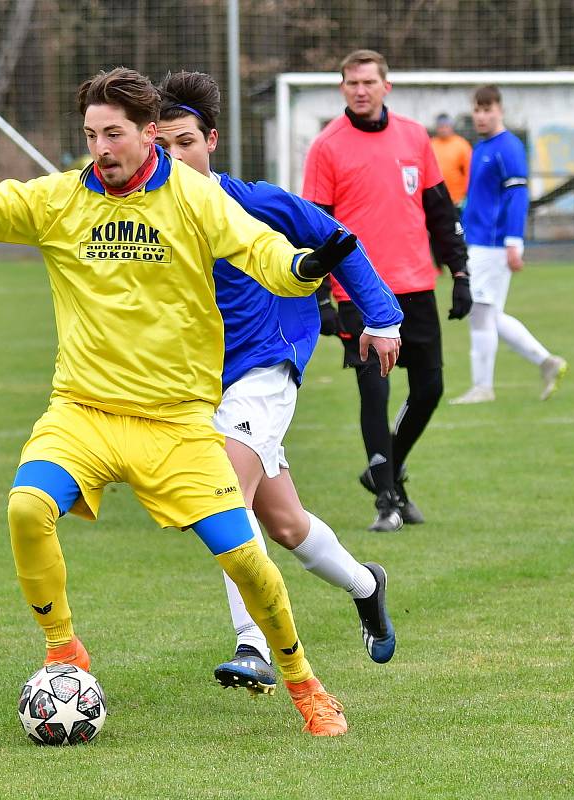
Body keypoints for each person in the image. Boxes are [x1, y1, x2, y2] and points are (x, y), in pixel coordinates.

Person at [0, 67, 362, 736]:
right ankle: (63, 647)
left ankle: (305, 686)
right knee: (27, 506)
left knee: (245, 558)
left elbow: (258, 248)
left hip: (175, 423)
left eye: (113, 134)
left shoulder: (193, 199)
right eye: (90, 135)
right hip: (83, 412)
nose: (100, 149)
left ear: (150, 134)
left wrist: (301, 269)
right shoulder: (63, 199)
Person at [155, 70, 404, 696]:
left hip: (266, 366)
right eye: (164, 146)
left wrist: (381, 317)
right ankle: (367, 586)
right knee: (286, 525)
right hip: (203, 383)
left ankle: (253, 644)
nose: (175, 158)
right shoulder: (150, 215)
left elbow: (337, 240)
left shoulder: (255, 201)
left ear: (211, 141)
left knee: (221, 495)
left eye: (186, 142)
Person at [301, 49, 472, 532]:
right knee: (373, 394)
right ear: (342, 88)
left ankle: (384, 470)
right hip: (358, 295)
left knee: (430, 387)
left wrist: (460, 275)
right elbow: (312, 227)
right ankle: (387, 501)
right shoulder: (326, 146)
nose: (360, 90)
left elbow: (440, 212)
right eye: (351, 82)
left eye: (368, 82)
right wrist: (321, 298)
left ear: (385, 86)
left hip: (417, 287)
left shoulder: (415, 137)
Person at [451, 85, 567, 404]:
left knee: (480, 312)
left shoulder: (509, 148)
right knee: (489, 314)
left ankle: (483, 387)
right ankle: (547, 362)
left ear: (500, 110)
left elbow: (517, 197)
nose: (482, 116)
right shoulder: (481, 148)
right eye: (477, 109)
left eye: (487, 109)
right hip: (478, 241)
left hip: (494, 244)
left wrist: (514, 242)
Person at [430, 113, 472, 208]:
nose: (443, 129)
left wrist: (467, 195)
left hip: (458, 200)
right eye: (440, 126)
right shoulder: (431, 145)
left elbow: (469, 171)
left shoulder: (462, 145)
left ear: (451, 126)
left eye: (446, 126)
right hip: (436, 200)